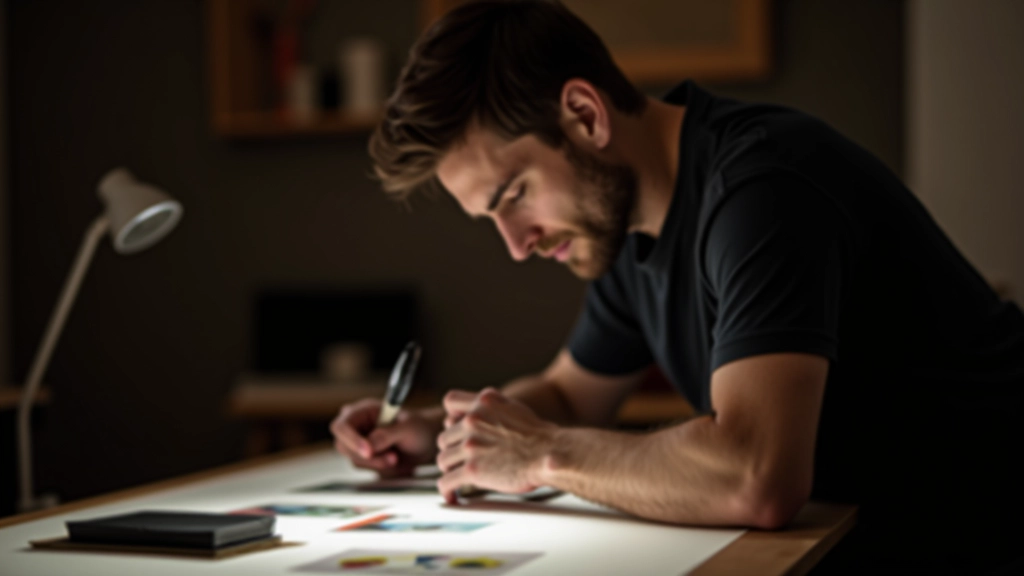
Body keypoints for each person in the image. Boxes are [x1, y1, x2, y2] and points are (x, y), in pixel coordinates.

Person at [330, 1, 1024, 573]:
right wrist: (446, 433)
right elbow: (570, 393)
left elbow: (755, 478)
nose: (516, 245)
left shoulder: (763, 188)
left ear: (585, 114)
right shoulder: (629, 227)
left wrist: (541, 454)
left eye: (515, 194)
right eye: (492, 217)